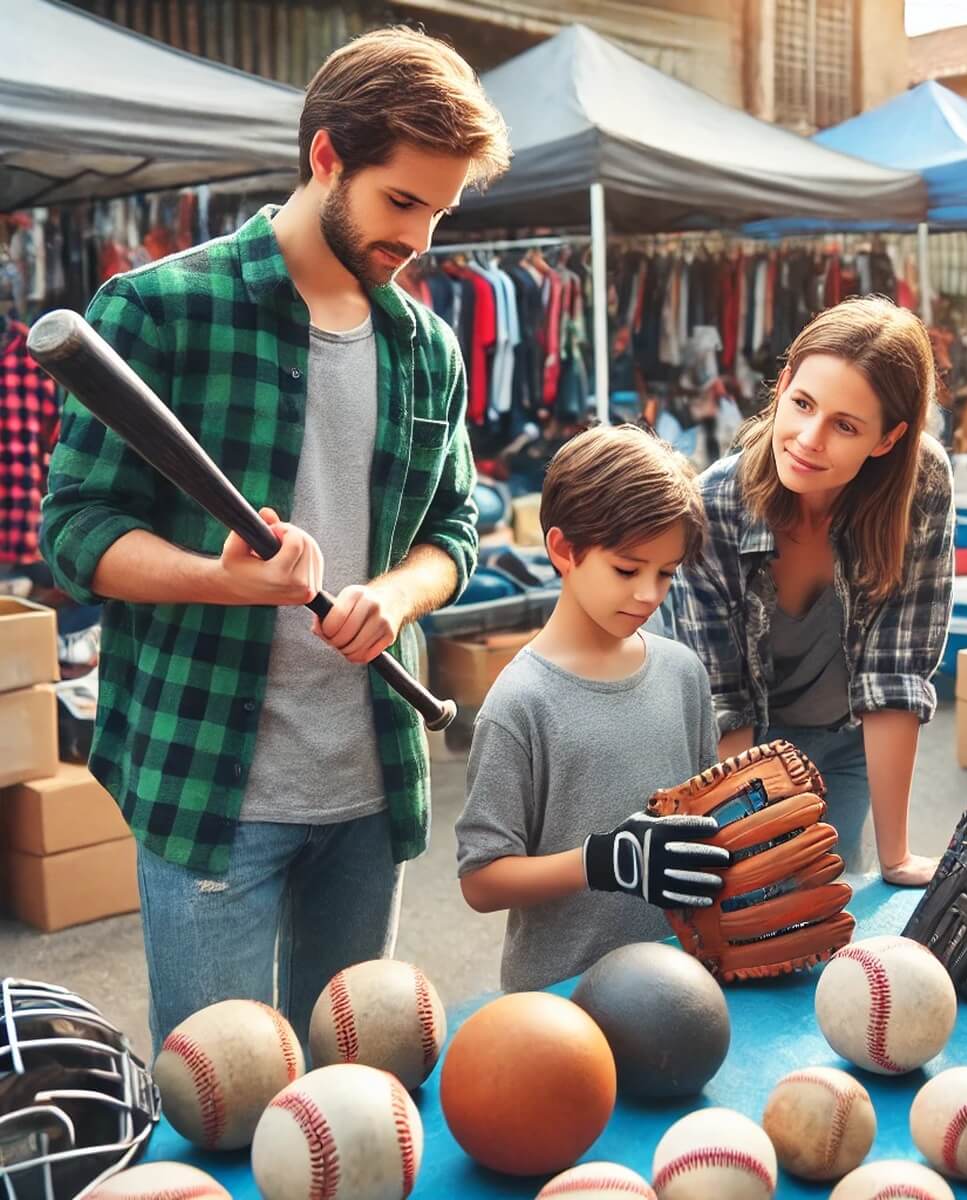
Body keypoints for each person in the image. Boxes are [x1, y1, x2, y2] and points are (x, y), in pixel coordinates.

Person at [39, 28, 511, 1053]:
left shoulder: (426, 347)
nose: (422, 238)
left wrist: (396, 595)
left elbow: (455, 531)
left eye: (441, 210)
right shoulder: (162, 310)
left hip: (369, 785)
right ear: (328, 155)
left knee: (348, 1098)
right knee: (223, 1106)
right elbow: (74, 535)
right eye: (402, 202)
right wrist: (218, 579)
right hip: (211, 785)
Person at [664, 295, 954, 886]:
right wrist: (750, 845)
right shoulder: (716, 504)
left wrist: (896, 857)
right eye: (802, 404)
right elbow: (724, 698)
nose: (808, 438)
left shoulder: (921, 484)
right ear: (784, 384)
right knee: (752, 897)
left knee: (830, 903)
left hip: (848, 739)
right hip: (736, 745)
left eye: (845, 425)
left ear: (888, 438)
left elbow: (896, 671)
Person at [455, 424, 730, 992]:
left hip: (681, 981)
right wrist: (603, 861)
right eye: (627, 570)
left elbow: (702, 824)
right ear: (563, 550)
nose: (648, 594)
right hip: (561, 1001)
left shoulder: (683, 673)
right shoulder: (519, 703)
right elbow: (481, 880)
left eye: (666, 574)